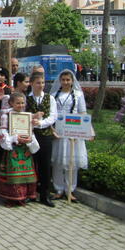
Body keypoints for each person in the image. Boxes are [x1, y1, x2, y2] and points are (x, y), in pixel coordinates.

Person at [51, 69, 88, 201]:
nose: (66, 82)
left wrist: (84, 130)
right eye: (63, 80)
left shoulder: (78, 95)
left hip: (73, 130)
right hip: (58, 131)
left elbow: (83, 112)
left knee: (72, 161)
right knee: (58, 161)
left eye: (68, 80)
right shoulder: (54, 95)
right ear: (60, 81)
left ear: (72, 81)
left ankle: (70, 189)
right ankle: (58, 188)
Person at [0, 92, 40, 207]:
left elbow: (30, 131)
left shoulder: (27, 116)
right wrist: (14, 138)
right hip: (13, 148)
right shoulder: (6, 115)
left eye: (22, 103)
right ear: (11, 103)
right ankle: (11, 198)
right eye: (18, 103)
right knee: (12, 173)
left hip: (25, 148)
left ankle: (23, 196)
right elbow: (3, 131)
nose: (21, 105)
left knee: (24, 173)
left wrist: (30, 139)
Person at [27, 71, 58, 207]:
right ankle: (31, 193)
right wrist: (31, 118)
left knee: (45, 165)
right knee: (31, 165)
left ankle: (45, 194)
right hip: (32, 135)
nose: (41, 85)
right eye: (38, 83)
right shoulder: (27, 98)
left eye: (43, 83)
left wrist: (41, 123)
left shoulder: (49, 98)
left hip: (45, 135)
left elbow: (53, 116)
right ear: (32, 84)